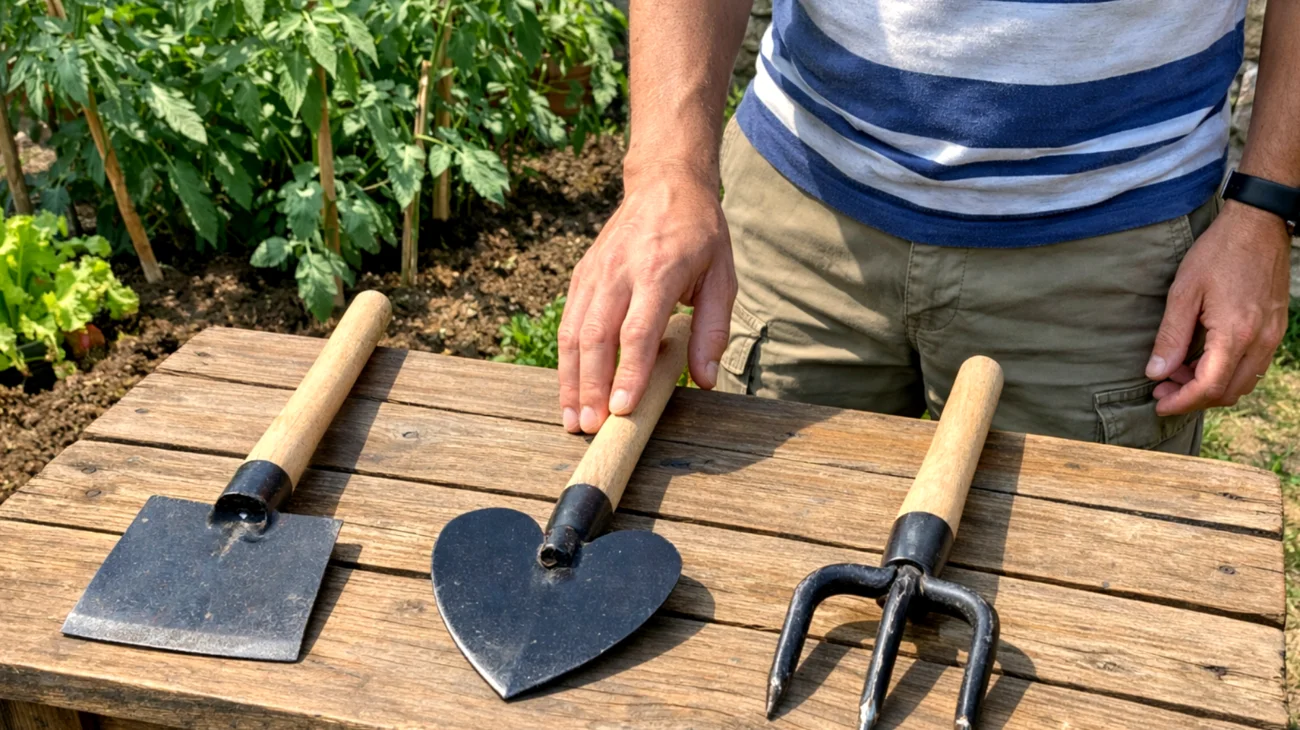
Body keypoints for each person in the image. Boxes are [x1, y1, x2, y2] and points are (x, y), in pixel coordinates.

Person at [558, 0, 1297, 454]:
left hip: (1109, 254)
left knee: (1070, 629)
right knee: (743, 576)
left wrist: (1264, 206)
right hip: (799, 214)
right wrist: (666, 167)